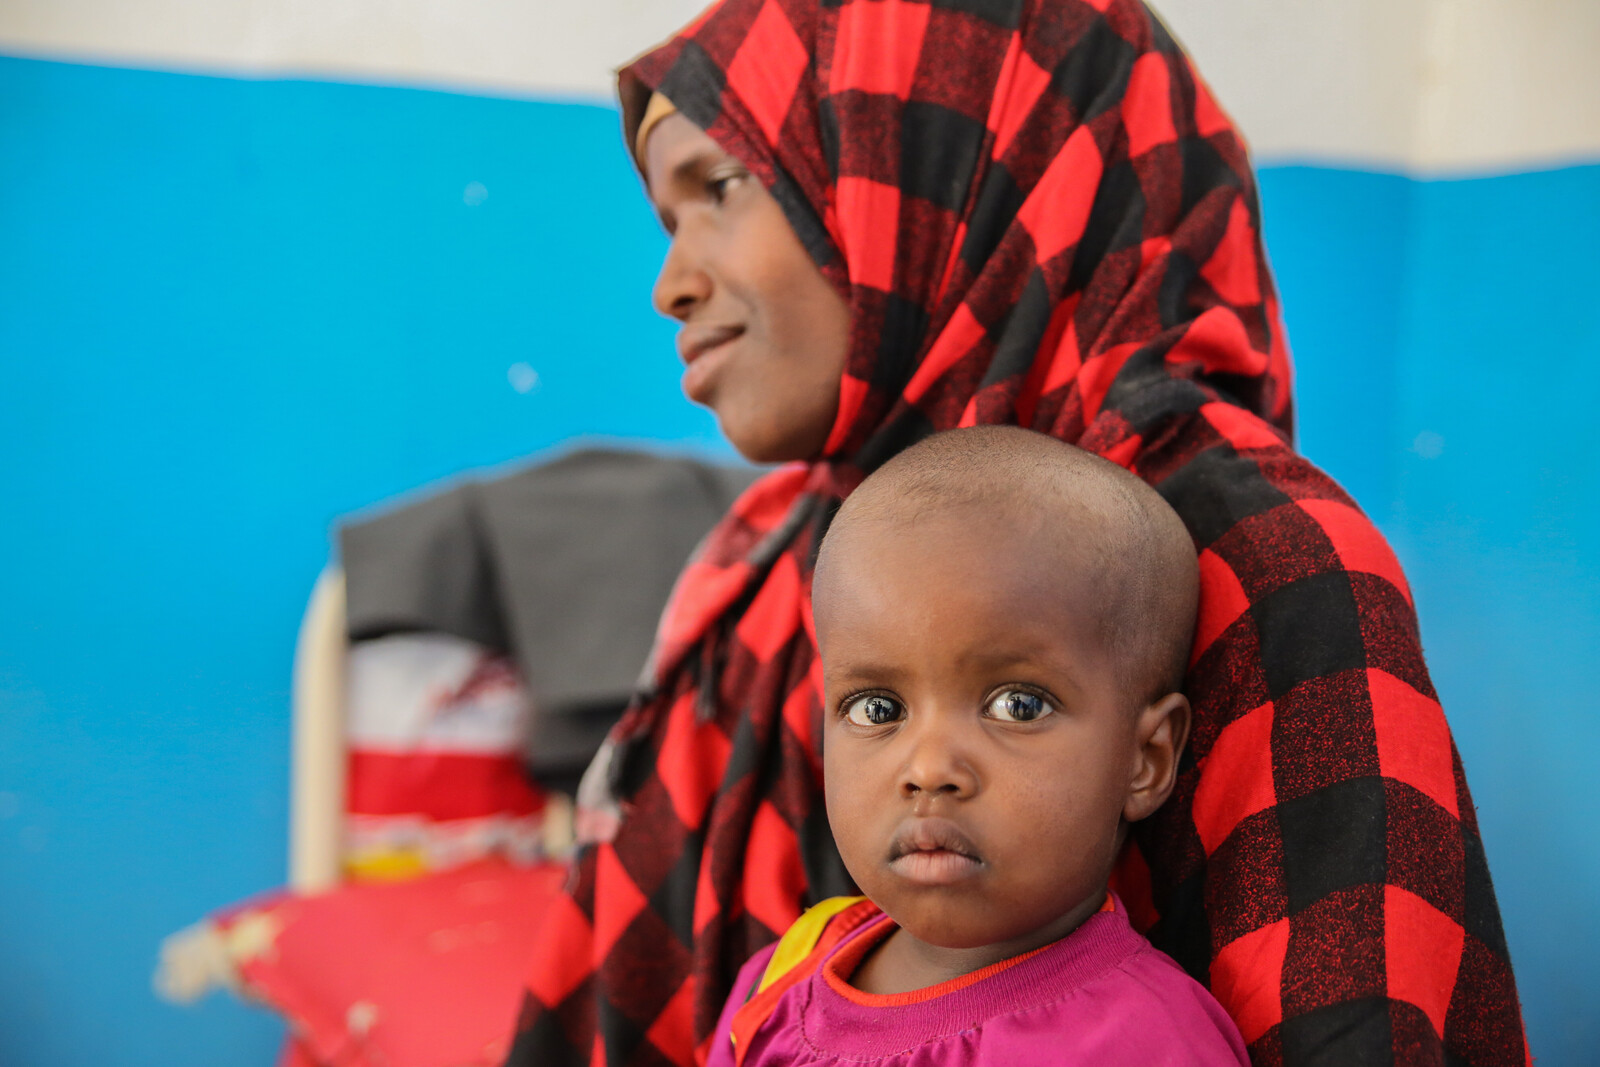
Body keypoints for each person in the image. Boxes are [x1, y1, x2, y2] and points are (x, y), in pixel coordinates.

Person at [507, 1, 1527, 1064]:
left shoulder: (1260, 557)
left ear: (952, 167)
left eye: (720, 188)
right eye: (667, 222)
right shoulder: (781, 557)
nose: (672, 285)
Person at [703, 424, 1249, 1066]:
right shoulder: (784, 973)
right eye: (878, 709)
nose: (930, 769)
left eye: (1018, 705)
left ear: (1147, 759)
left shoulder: (1140, 1043)